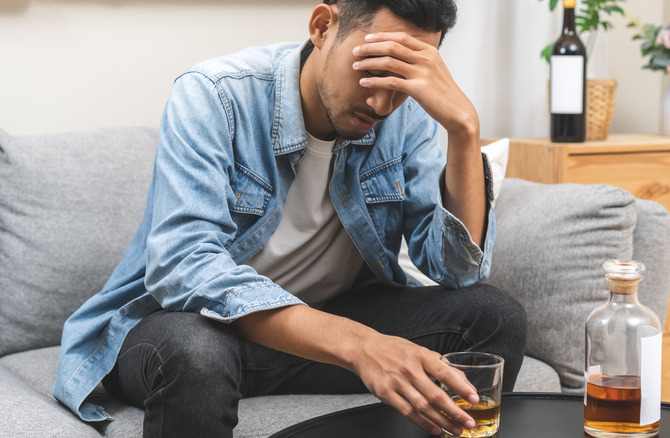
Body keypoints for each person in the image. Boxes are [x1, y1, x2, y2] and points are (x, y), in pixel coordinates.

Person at [54, 1, 527, 436]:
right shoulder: (214, 95)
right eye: (375, 71)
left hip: (315, 331)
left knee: (492, 316)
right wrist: (360, 346)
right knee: (196, 354)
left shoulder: (406, 118)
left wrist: (464, 130)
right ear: (323, 27)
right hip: (196, 327)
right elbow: (183, 266)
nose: (382, 105)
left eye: (402, 82)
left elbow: (457, 272)